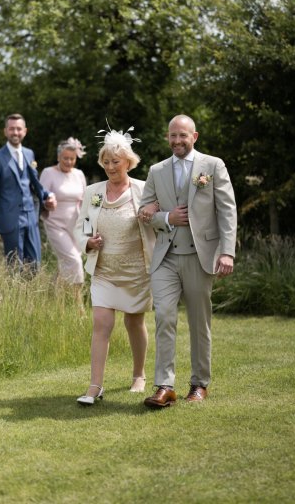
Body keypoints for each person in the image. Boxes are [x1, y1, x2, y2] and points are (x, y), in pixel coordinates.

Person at [139, 114, 237, 408]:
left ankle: (198, 384)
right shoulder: (156, 170)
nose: (177, 141)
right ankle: (164, 386)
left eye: (183, 135)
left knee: (198, 322)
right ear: (167, 137)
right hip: (166, 258)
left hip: (200, 255)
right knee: (164, 317)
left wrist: (227, 251)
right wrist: (167, 217)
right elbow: (144, 212)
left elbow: (227, 210)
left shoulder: (213, 165)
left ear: (194, 136)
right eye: (172, 135)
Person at [74, 125, 157, 405]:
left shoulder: (143, 189)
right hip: (104, 271)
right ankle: (95, 386)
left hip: (136, 270)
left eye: (116, 162)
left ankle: (139, 375)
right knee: (101, 323)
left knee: (134, 322)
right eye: (106, 162)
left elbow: (157, 223)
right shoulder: (93, 192)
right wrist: (88, 243)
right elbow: (81, 227)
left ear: (128, 162)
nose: (110, 166)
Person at [0, 113, 57, 271]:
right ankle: (14, 294)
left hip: (31, 216)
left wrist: (47, 195)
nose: (15, 132)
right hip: (10, 218)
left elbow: (34, 182)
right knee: (15, 266)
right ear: (5, 131)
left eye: (18, 129)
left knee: (35, 265)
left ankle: (28, 294)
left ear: (25, 131)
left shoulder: (29, 154)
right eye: (11, 129)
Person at [40, 138, 87, 286]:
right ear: (58, 157)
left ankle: (53, 293)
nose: (68, 162)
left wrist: (89, 226)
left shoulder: (79, 174)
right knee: (74, 260)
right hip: (55, 224)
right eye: (65, 158)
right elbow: (41, 197)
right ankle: (78, 304)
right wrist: (47, 203)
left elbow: (87, 199)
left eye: (72, 159)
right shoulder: (48, 173)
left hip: (75, 225)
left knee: (68, 262)